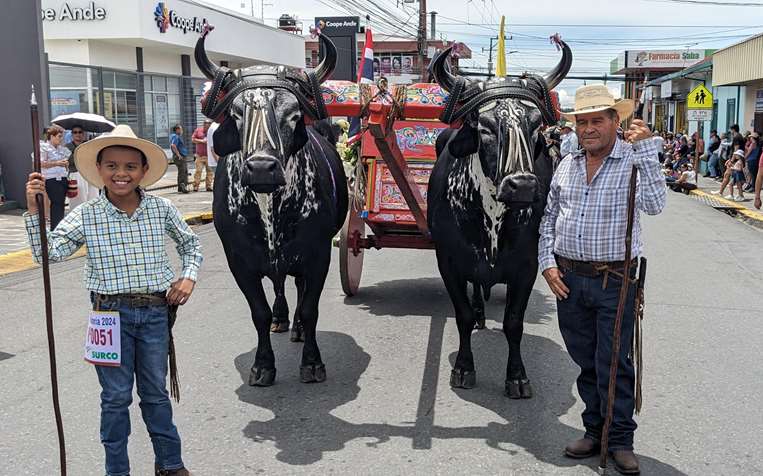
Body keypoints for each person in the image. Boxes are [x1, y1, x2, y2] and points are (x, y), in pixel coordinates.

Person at [24, 124, 201, 476]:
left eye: (130, 167)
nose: (121, 174)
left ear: (144, 171)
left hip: (155, 313)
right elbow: (49, 255)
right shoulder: (87, 214)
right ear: (100, 170)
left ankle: (170, 464)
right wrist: (34, 211)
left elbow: (191, 245)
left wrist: (188, 277)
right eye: (113, 166)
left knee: (155, 395)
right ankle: (117, 471)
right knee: (116, 399)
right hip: (108, 315)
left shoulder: (161, 209)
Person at [538, 84, 666, 476]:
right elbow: (549, 218)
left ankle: (621, 439)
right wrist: (548, 263)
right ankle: (595, 431)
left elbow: (655, 205)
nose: (589, 129)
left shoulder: (633, 159)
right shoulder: (567, 163)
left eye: (598, 120)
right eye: (583, 122)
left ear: (615, 122)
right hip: (569, 281)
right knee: (584, 361)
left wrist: (646, 150)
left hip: (615, 280)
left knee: (613, 363)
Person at [40, 124, 71, 229]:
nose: (61, 139)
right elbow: (39, 163)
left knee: (60, 204)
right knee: (57, 203)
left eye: (62, 136)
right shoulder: (44, 147)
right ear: (52, 136)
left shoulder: (61, 149)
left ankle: (58, 227)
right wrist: (57, 163)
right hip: (51, 179)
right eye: (59, 136)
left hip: (62, 178)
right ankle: (56, 228)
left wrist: (65, 165)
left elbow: (65, 164)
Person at [66, 124, 100, 209]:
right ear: (72, 134)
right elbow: (69, 162)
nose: (78, 134)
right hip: (76, 174)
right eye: (75, 132)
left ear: (83, 134)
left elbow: (94, 158)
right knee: (78, 201)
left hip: (90, 173)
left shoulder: (88, 144)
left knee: (93, 199)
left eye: (80, 132)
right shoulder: (67, 147)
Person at [191, 119, 213, 192]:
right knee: (198, 171)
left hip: (209, 156)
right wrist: (202, 141)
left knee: (210, 172)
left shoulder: (212, 131)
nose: (208, 126)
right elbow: (193, 139)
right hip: (199, 155)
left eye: (209, 124)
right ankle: (196, 186)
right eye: (207, 124)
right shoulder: (198, 130)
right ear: (204, 124)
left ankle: (208, 186)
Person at [170, 124, 189, 194]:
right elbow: (173, 145)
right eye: (181, 129)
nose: (182, 131)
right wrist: (178, 154)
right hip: (180, 157)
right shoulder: (175, 136)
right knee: (183, 172)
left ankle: (180, 187)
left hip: (179, 156)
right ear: (177, 130)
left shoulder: (174, 136)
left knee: (182, 171)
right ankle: (183, 186)